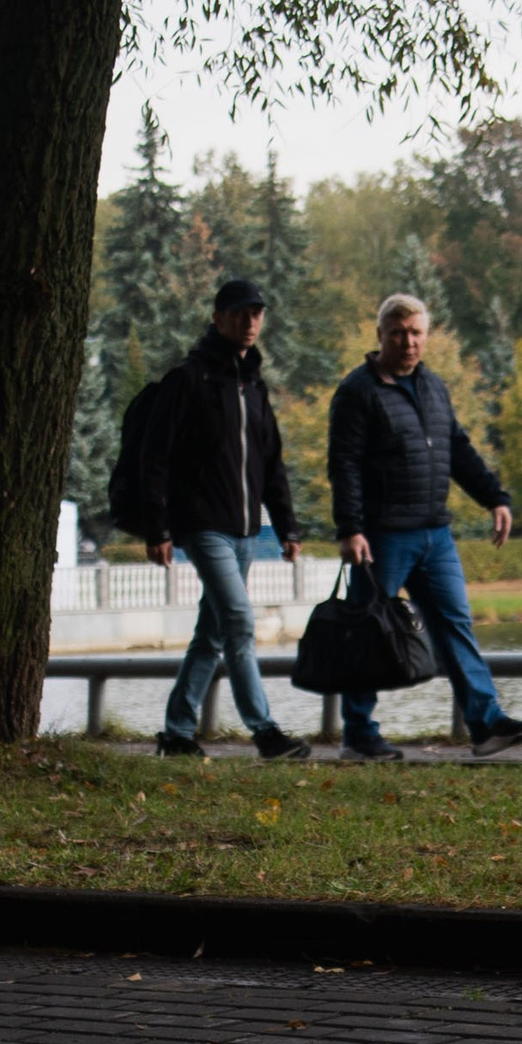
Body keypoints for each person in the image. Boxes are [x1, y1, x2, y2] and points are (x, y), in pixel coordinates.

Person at [327, 292, 522, 762]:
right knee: (370, 632)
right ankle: (359, 734)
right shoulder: (357, 391)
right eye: (398, 333)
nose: (408, 342)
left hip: (435, 535)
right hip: (381, 536)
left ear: (427, 336)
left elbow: (458, 451)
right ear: (380, 335)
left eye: (416, 333)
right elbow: (343, 465)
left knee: (454, 626)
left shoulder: (434, 388)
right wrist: (350, 527)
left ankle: (486, 725)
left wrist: (494, 498)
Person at [133, 279, 313, 760]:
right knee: (238, 621)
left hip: (246, 531)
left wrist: (287, 526)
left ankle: (176, 732)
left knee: (210, 634)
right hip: (202, 526)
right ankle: (266, 731)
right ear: (218, 318)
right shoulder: (189, 379)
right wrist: (158, 528)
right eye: (240, 313)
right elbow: (156, 458)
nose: (250, 321)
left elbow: (271, 462)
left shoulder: (254, 385)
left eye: (257, 313)